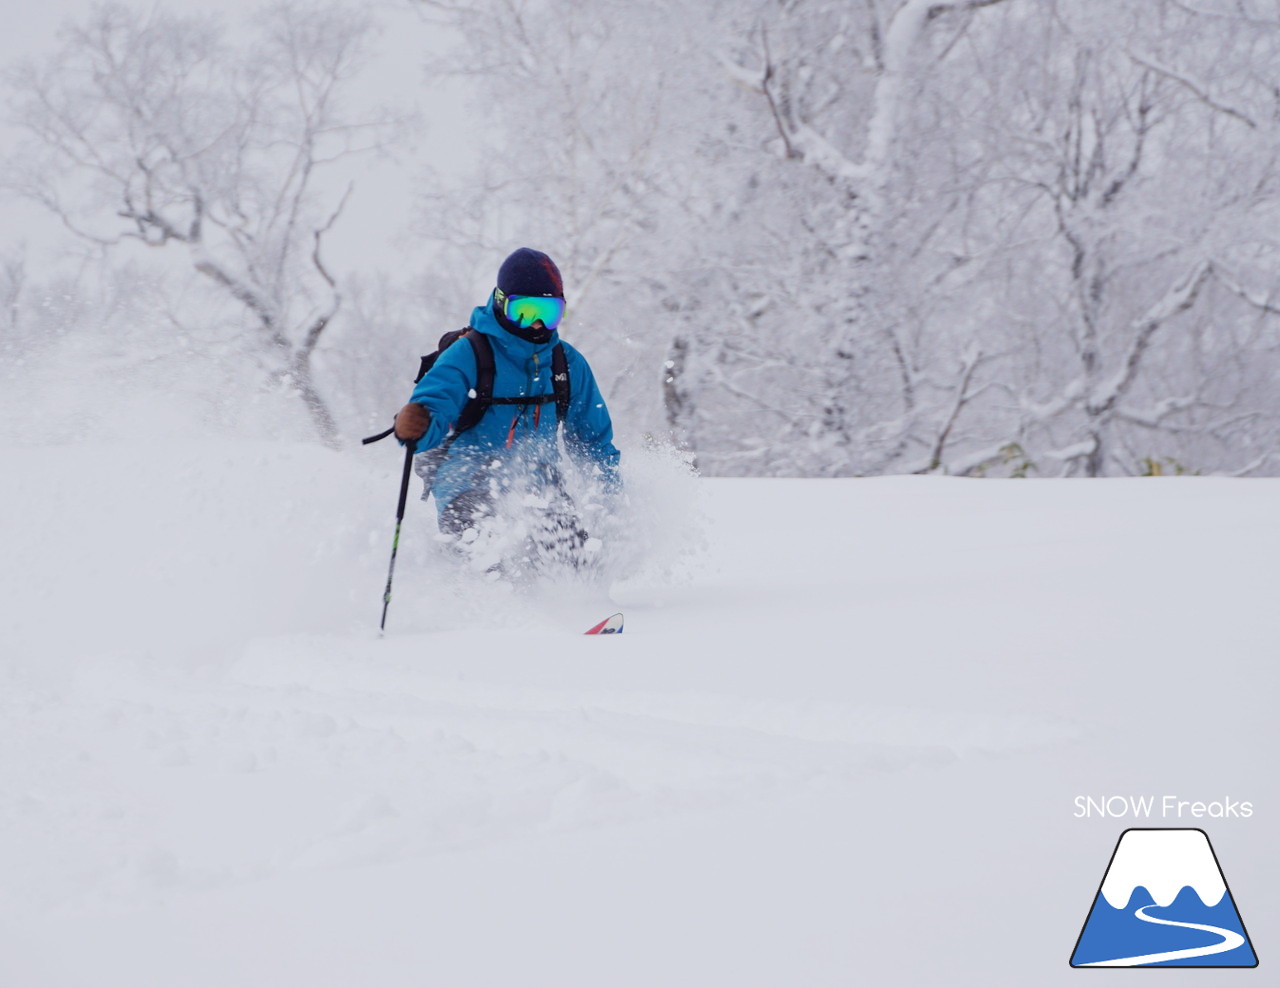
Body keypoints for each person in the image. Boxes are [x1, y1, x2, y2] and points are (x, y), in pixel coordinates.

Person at [393, 247, 620, 571]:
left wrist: (612, 501)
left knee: (574, 560)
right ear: (502, 304)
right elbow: (433, 408)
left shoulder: (566, 364)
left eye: (549, 311)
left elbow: (595, 443)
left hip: (541, 486)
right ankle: (479, 613)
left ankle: (577, 610)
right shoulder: (469, 354)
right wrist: (418, 422)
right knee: (486, 553)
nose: (538, 323)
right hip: (467, 482)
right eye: (525, 311)